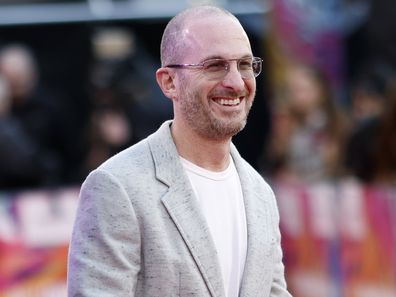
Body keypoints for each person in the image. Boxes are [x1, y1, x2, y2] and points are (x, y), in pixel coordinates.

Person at [67, 5, 292, 297]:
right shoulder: (118, 187)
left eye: (245, 65)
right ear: (169, 82)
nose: (236, 82)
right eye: (215, 66)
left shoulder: (261, 194)